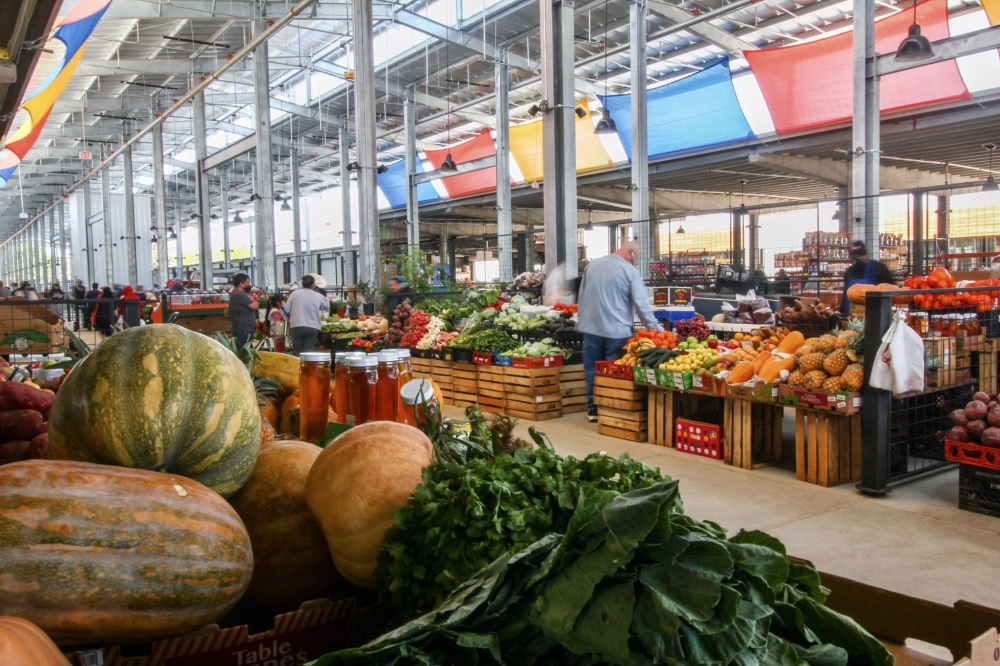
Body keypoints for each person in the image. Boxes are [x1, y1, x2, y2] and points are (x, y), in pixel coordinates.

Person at [576, 240, 663, 422]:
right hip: (616, 331)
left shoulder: (592, 265)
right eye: (635, 257)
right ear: (631, 253)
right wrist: (656, 329)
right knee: (613, 372)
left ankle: (593, 408)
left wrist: (582, 321)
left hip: (591, 328)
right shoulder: (629, 271)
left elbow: (582, 297)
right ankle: (610, 408)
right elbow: (641, 305)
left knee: (592, 370)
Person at [840, 241, 894, 314]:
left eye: (861, 256)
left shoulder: (879, 269)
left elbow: (890, 291)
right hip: (849, 315)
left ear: (866, 254)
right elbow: (845, 297)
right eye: (856, 258)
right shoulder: (849, 272)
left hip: (874, 314)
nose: (859, 259)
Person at [284, 273, 330, 356]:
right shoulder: (318, 296)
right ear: (313, 284)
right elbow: (326, 306)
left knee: (297, 352)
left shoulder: (294, 293)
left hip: (296, 325)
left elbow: (286, 309)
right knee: (307, 353)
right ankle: (306, 367)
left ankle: (297, 367)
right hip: (312, 327)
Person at [227, 273, 259, 348]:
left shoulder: (236, 294)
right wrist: (260, 301)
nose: (249, 285)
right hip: (243, 331)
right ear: (241, 284)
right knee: (244, 354)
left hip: (243, 330)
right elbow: (254, 306)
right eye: (247, 282)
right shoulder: (239, 295)